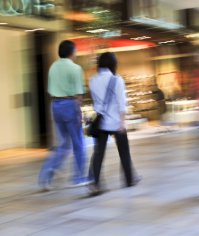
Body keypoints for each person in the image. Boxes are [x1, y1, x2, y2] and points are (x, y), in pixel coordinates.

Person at [39, 40, 87, 190]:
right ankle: (78, 177)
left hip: (55, 105)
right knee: (78, 143)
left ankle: (46, 175)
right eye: (76, 51)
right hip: (70, 105)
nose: (76, 54)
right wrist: (79, 113)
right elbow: (79, 95)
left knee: (64, 144)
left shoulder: (53, 67)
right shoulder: (75, 68)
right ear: (71, 52)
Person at [88, 52, 136, 196]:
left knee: (98, 154)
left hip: (101, 121)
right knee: (124, 152)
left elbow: (96, 102)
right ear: (113, 64)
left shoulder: (92, 80)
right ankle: (129, 180)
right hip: (115, 121)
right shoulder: (117, 80)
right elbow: (122, 104)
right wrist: (122, 122)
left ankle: (95, 183)